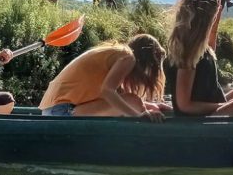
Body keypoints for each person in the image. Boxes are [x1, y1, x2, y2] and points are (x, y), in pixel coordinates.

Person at [39, 34, 169, 120]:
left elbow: (109, 98)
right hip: (61, 113)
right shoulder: (128, 57)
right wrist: (138, 116)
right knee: (133, 102)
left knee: (133, 102)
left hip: (54, 111)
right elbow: (107, 91)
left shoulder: (116, 54)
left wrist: (154, 106)